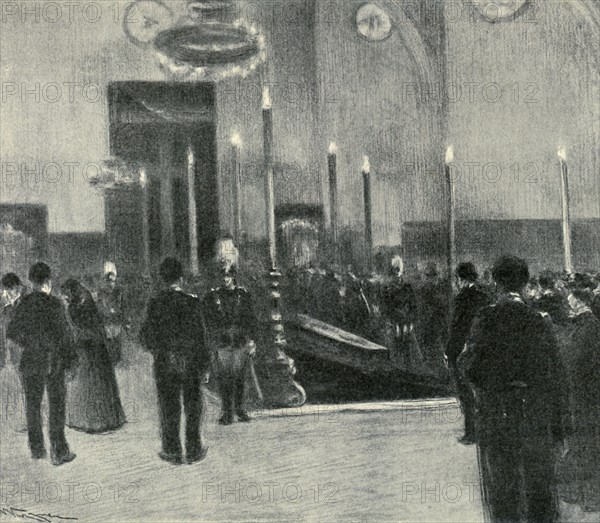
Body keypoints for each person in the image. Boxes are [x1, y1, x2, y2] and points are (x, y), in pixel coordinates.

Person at [459, 256, 570, 523]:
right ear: (524, 284)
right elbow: (556, 375)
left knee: (502, 487)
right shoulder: (540, 320)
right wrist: (560, 427)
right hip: (534, 413)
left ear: (496, 283)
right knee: (539, 486)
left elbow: (469, 367)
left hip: (497, 414)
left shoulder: (486, 318)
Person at [141, 258, 210, 465]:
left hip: (165, 362)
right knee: (193, 405)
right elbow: (201, 337)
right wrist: (204, 365)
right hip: (190, 362)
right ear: (181, 278)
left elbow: (145, 337)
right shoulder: (193, 302)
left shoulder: (155, 303)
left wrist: (158, 351)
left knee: (169, 406)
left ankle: (172, 449)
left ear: (162, 279)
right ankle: (194, 448)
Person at [7, 263, 77, 466]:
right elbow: (66, 336)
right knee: (56, 405)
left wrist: (29, 343)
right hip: (53, 362)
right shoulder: (56, 304)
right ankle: (59, 450)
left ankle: (37, 449)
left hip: (31, 361)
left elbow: (12, 332)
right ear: (48, 281)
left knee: (33, 405)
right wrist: (71, 361)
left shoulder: (24, 304)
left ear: (31, 281)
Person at [61, 279, 126, 434]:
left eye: (65, 295)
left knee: (91, 384)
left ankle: (92, 421)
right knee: (95, 384)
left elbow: (82, 328)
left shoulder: (78, 305)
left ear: (71, 292)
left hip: (90, 348)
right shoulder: (84, 300)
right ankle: (104, 419)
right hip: (93, 347)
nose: (64, 298)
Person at [557, 287, 600, 513]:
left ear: (581, 303)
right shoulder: (583, 325)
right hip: (581, 395)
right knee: (582, 446)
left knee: (588, 448)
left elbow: (577, 361)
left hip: (587, 397)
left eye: (571, 301)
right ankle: (583, 494)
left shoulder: (588, 327)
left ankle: (592, 498)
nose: (568, 305)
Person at [203, 264, 258, 426]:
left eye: (228, 276)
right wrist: (213, 339)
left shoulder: (243, 295)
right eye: (223, 276)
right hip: (222, 341)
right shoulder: (212, 297)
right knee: (225, 378)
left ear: (233, 277)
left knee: (240, 377)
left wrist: (252, 340)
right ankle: (227, 412)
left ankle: (240, 408)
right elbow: (208, 321)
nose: (225, 279)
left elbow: (251, 319)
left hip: (240, 341)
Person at [445, 262, 490, 445]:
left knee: (465, 394)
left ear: (460, 279)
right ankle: (483, 430)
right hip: (481, 349)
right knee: (480, 392)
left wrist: (449, 352)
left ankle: (471, 432)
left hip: (462, 350)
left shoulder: (461, 298)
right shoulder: (485, 296)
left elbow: (456, 327)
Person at [381, 256, 423, 369]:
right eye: (394, 269)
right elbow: (385, 309)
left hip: (407, 325)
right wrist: (394, 321)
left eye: (398, 269)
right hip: (393, 325)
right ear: (391, 270)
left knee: (410, 356)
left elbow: (414, 307)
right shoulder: (386, 288)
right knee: (394, 356)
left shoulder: (407, 287)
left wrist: (409, 323)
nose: (397, 272)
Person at [97, 271, 128, 366]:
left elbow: (124, 307)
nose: (111, 284)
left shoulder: (119, 292)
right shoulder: (101, 293)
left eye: (113, 282)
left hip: (116, 321)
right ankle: (110, 360)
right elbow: (99, 307)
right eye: (109, 281)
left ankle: (117, 360)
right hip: (107, 321)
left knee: (117, 341)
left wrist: (125, 320)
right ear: (106, 282)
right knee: (109, 342)